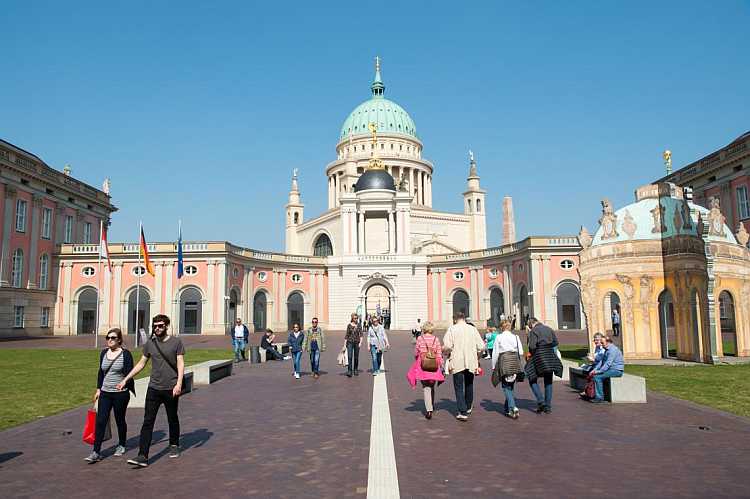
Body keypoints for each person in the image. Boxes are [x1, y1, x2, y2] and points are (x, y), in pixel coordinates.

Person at [118, 314, 184, 467]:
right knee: (148, 421)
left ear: (166, 326)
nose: (157, 328)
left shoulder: (176, 342)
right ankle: (143, 456)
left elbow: (180, 363)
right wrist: (125, 379)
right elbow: (141, 364)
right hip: (154, 388)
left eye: (160, 326)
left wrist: (179, 383)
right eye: (155, 326)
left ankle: (174, 445)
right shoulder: (150, 344)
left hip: (171, 388)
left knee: (172, 417)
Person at [85, 328, 135, 463]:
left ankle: (122, 444)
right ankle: (96, 452)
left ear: (119, 340)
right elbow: (101, 373)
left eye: (113, 338)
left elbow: (130, 373)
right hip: (105, 393)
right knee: (101, 421)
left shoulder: (126, 354)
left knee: (120, 420)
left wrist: (124, 383)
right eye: (108, 338)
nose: (110, 340)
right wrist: (98, 389)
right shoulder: (103, 353)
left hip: (120, 394)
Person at [442, 312, 485, 421]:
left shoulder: (452, 329)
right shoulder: (472, 329)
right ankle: (468, 406)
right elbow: (481, 346)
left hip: (457, 361)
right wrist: (477, 357)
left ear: (455, 319)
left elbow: (447, 346)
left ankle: (462, 411)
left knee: (458, 386)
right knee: (469, 384)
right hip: (471, 361)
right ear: (464, 318)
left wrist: (446, 353)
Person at [524, 318, 563, 414]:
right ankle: (548, 406)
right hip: (549, 355)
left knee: (532, 377)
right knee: (548, 381)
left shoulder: (534, 331)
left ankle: (541, 401)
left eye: (529, 326)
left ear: (531, 324)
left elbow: (532, 346)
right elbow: (555, 342)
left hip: (538, 356)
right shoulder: (549, 329)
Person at [406, 321, 444, 419]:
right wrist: (441, 364)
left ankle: (429, 410)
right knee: (432, 385)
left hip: (423, 365)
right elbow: (439, 353)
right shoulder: (436, 339)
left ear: (424, 329)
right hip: (434, 365)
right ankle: (431, 404)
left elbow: (416, 352)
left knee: (426, 387)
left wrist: (418, 358)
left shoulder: (420, 338)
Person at [491, 320, 523, 419]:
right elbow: (521, 351)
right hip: (514, 360)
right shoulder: (516, 337)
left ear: (501, 327)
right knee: (511, 386)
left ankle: (513, 406)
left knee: (505, 386)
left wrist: (493, 365)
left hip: (504, 360)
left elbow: (495, 352)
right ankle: (507, 409)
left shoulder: (499, 337)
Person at [589, 336, 625, 403]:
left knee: (597, 377)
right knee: (594, 375)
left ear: (608, 342)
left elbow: (608, 363)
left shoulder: (613, 350)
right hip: (610, 369)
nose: (601, 345)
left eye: (602, 343)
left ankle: (600, 398)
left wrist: (599, 371)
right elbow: (601, 362)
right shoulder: (607, 349)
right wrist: (595, 370)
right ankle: (592, 394)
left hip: (616, 370)